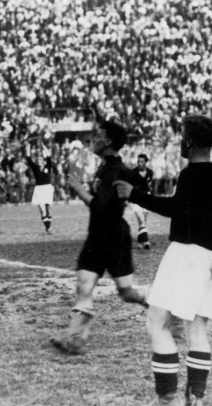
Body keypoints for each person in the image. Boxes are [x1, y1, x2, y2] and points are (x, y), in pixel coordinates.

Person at [115, 114, 212, 406]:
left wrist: (135, 194)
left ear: (190, 141)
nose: (180, 141)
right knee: (197, 330)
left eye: (182, 136)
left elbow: (173, 208)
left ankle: (167, 399)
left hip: (186, 256)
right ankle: (195, 397)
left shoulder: (190, 175)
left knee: (157, 324)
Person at [50, 119, 147, 355]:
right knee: (84, 285)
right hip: (98, 234)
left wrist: (78, 188)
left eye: (98, 134)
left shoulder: (114, 170)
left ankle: (164, 308)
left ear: (109, 141)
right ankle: (76, 339)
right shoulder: (106, 167)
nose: (94, 138)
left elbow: (100, 206)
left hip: (114, 237)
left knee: (127, 293)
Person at [23, 140, 55, 234]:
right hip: (39, 189)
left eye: (41, 159)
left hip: (47, 188)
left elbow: (49, 156)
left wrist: (43, 146)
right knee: (42, 210)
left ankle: (48, 228)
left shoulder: (47, 166)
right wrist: (28, 147)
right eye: (38, 159)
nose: (39, 160)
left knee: (48, 209)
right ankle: (48, 228)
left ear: (43, 160)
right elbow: (28, 158)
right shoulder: (35, 168)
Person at [129, 153, 155, 250]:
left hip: (146, 197)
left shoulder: (150, 172)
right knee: (141, 220)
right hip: (136, 198)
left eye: (142, 162)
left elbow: (150, 185)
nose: (139, 163)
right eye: (138, 161)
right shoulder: (133, 172)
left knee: (143, 221)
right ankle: (146, 241)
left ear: (146, 162)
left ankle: (140, 241)